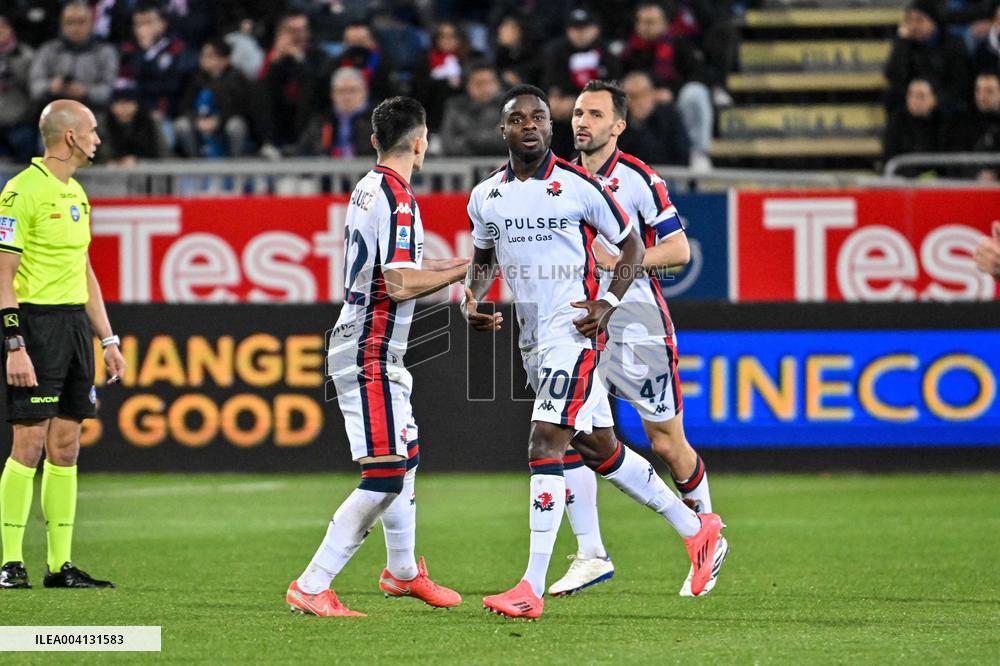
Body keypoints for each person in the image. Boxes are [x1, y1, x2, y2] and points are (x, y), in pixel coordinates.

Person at [464, 84, 725, 619]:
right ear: (504, 129)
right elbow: (484, 254)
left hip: (576, 333)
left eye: (540, 117)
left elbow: (631, 244)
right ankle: (695, 529)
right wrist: (473, 296)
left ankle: (529, 587)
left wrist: (608, 301)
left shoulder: (581, 185)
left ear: (548, 128)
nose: (531, 126)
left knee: (546, 441)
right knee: (597, 446)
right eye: (519, 119)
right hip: (533, 337)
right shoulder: (486, 194)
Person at [288, 97, 467, 617]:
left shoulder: (369, 186)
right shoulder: (401, 199)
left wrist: (465, 261)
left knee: (405, 457)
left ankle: (403, 572)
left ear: (374, 142)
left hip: (372, 342)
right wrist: (465, 272)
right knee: (386, 472)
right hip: (370, 347)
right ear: (421, 141)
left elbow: (400, 266)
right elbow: (400, 281)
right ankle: (313, 583)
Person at [545, 78, 725, 598]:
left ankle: (707, 533)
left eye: (595, 114)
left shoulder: (638, 178)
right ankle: (589, 553)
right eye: (578, 112)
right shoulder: (558, 178)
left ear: (618, 126)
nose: (582, 122)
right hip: (578, 321)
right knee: (569, 429)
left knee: (666, 442)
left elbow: (679, 251)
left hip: (634, 322)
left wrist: (621, 259)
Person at [0, 99, 126, 589]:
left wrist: (107, 338)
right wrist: (14, 343)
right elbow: (3, 274)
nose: (98, 138)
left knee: (67, 444)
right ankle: (10, 563)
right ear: (70, 137)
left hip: (75, 326)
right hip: (34, 326)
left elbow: (85, 272)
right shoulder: (20, 192)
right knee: (28, 441)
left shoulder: (76, 193)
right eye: (92, 130)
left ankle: (60, 565)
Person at [621, 1, 714, 170]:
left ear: (664, 23)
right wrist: (642, 94)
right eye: (641, 22)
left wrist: (672, 93)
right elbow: (622, 80)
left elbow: (700, 75)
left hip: (675, 104)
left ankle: (698, 153)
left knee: (695, 93)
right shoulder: (630, 50)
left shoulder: (679, 44)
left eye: (651, 22)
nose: (645, 27)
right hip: (637, 107)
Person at [255, 12, 330, 157]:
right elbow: (262, 89)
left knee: (308, 91)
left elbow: (319, 85)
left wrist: (299, 59)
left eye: (303, 30)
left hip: (309, 115)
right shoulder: (273, 57)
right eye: (293, 31)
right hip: (280, 115)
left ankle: (300, 147)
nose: (299, 35)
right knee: (261, 90)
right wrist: (275, 61)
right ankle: (269, 145)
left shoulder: (318, 55)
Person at [884, 0, 971, 117]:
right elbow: (893, 76)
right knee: (891, 96)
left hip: (944, 105)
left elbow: (960, 82)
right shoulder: (906, 43)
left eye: (919, 20)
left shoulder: (953, 43)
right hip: (913, 103)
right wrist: (901, 45)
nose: (914, 26)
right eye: (910, 20)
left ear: (934, 22)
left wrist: (936, 101)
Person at [28, 2, 119, 112]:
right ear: (61, 24)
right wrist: (51, 87)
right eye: (69, 22)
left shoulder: (106, 52)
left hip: (93, 114)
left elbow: (109, 90)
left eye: (81, 22)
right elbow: (34, 87)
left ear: (92, 23)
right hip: (54, 114)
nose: (75, 28)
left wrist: (85, 92)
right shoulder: (48, 50)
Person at [117, 2, 197, 119]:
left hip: (169, 111)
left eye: (148, 23)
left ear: (162, 24)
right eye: (137, 24)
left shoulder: (176, 49)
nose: (142, 29)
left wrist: (147, 55)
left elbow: (172, 86)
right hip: (135, 110)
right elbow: (124, 83)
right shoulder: (128, 51)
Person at [174, 38, 252, 158]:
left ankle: (237, 164)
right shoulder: (197, 78)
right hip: (201, 121)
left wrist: (218, 120)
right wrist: (197, 120)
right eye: (203, 55)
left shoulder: (237, 78)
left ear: (225, 59)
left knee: (236, 126)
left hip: (224, 122)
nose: (204, 59)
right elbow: (185, 106)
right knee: (181, 125)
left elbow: (241, 108)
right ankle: (195, 163)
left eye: (210, 56)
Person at [294, 66, 375, 158]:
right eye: (341, 91)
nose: (347, 97)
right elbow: (301, 153)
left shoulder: (377, 123)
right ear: (333, 94)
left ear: (364, 92)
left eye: (353, 90)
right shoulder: (321, 122)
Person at [881, 78, 955, 177]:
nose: (914, 100)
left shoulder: (945, 122)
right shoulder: (897, 121)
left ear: (933, 99)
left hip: (939, 183)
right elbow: (890, 157)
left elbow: (949, 159)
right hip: (904, 183)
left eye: (921, 96)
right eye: (911, 95)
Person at [618, 71, 691, 166]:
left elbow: (681, 153)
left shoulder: (669, 115)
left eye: (643, 94)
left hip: (668, 174)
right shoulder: (620, 122)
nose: (640, 101)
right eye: (633, 96)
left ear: (652, 94)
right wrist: (636, 124)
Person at [542, 8, 620, 95]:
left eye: (585, 28)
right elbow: (551, 85)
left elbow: (614, 85)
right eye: (575, 28)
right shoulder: (556, 54)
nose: (580, 33)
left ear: (596, 29)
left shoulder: (607, 54)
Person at [440, 62, 506, 157]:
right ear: (467, 85)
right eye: (479, 83)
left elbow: (513, 144)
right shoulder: (455, 106)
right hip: (463, 166)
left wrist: (468, 139)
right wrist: (493, 136)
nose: (485, 88)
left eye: (490, 82)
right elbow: (448, 145)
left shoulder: (510, 106)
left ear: (498, 83)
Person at [98, 84, 166, 165]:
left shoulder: (149, 123)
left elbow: (162, 153)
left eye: (128, 103)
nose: (124, 108)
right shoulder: (102, 125)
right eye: (119, 103)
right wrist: (109, 162)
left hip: (146, 171)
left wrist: (138, 161)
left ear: (136, 105)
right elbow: (95, 154)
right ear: (111, 106)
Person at [0, 12, 36, 164]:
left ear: (10, 29)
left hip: (21, 123)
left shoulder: (26, 55)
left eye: (2, 27)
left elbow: (34, 89)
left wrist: (11, 63)